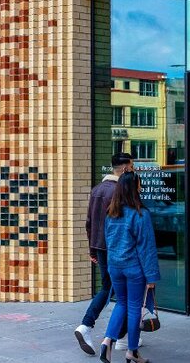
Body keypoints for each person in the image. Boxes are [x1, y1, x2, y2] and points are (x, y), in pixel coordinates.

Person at [75, 153, 134, 355]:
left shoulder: (97, 189)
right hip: (116, 248)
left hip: (100, 247)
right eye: (132, 166)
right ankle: (94, 328)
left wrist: (92, 249)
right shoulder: (120, 191)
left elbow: (89, 222)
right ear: (125, 168)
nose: (134, 169)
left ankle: (114, 334)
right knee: (123, 291)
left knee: (109, 287)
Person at [99, 171, 160, 363]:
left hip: (115, 266)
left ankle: (107, 341)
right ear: (134, 188)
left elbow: (109, 242)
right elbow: (146, 247)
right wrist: (151, 277)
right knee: (134, 308)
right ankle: (132, 351)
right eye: (139, 184)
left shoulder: (111, 213)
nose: (141, 187)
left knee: (122, 304)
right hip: (134, 268)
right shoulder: (141, 214)